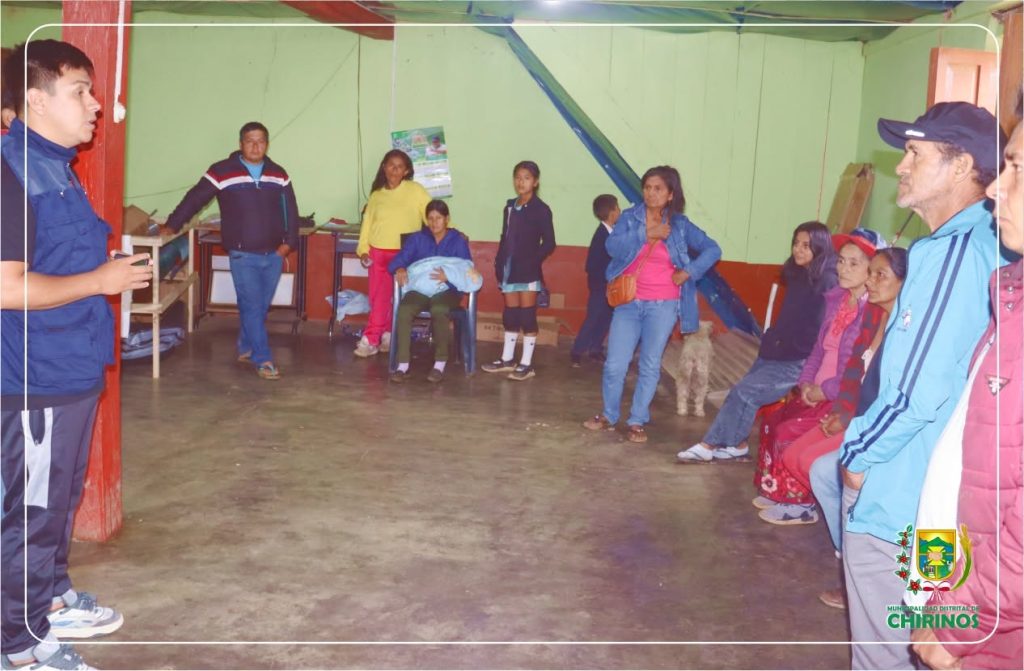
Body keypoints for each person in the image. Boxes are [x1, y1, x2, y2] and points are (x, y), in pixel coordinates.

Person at [838, 102, 1006, 670]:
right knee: (919, 649)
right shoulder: (983, 245)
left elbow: (917, 390)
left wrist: (857, 455)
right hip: (932, 505)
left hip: (902, 504)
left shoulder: (954, 253)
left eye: (915, 153)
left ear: (961, 167)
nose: (902, 166)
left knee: (884, 654)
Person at [0, 39, 151, 671]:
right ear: (36, 101)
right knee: (30, 513)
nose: (96, 105)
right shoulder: (11, 175)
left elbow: (56, 259)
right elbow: (7, 288)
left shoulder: (56, 168)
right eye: (80, 91)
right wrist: (100, 281)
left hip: (71, 364)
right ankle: (18, 644)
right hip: (34, 377)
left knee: (57, 500)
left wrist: (99, 270)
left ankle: (51, 598)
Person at [910, 96, 1023, 670]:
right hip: (962, 560)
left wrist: (961, 618)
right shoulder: (1011, 293)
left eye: (1018, 169)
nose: (997, 187)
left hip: (989, 612)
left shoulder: (961, 255)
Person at [775, 248, 908, 610]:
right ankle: (848, 559)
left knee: (825, 470)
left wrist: (852, 424)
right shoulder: (872, 316)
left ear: (904, 282)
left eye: (879, 275)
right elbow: (852, 373)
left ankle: (859, 572)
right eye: (871, 273)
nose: (870, 281)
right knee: (811, 463)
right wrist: (843, 413)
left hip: (884, 430)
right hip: (858, 418)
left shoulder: (906, 326)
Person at [582, 165, 721, 443]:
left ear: (670, 194)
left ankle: (637, 420)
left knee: (649, 364)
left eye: (658, 188)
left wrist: (689, 271)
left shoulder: (680, 225)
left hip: (663, 306)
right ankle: (609, 415)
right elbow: (612, 247)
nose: (651, 193)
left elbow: (713, 249)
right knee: (614, 364)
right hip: (629, 302)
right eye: (647, 187)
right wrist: (646, 234)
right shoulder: (630, 218)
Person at [677, 221, 837, 462]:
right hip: (776, 349)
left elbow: (818, 328)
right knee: (741, 394)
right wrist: (772, 339)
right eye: (796, 243)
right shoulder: (799, 273)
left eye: (806, 245)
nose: (798, 249)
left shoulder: (827, 281)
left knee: (745, 393)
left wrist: (797, 355)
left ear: (821, 247)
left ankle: (708, 445)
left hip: (797, 358)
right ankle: (737, 444)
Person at [753, 229, 881, 525]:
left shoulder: (871, 313)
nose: (843, 268)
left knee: (788, 431)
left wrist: (823, 391)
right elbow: (817, 350)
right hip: (816, 390)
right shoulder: (836, 302)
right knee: (772, 422)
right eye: (841, 261)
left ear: (870, 271)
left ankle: (801, 503)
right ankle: (776, 489)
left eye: (854, 263)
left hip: (837, 397)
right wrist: (805, 384)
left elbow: (855, 370)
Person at [163, 121, 299, 380]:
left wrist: (287, 245)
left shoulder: (278, 174)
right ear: (241, 144)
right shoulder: (222, 171)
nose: (255, 146)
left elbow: (291, 210)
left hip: (274, 254)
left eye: (260, 141)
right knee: (252, 307)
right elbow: (195, 198)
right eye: (250, 141)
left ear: (267, 144)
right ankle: (263, 359)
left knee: (258, 307)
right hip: (242, 254)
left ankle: (245, 346)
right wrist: (172, 224)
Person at [482, 160, 556, 381]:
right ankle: (507, 359)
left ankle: (526, 364)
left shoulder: (541, 209)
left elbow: (549, 243)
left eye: (526, 178)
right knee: (510, 315)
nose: (521, 182)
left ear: (535, 182)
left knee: (527, 316)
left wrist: (533, 261)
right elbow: (504, 237)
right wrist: (499, 263)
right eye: (518, 177)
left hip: (528, 272)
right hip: (509, 270)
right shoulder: (509, 207)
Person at [354, 149, 431, 359]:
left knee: (395, 298)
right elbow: (367, 226)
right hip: (378, 253)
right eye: (391, 165)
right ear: (384, 167)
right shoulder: (376, 195)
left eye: (399, 167)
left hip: (405, 255)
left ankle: (379, 336)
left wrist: (450, 234)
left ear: (406, 171)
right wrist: (363, 250)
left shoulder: (415, 190)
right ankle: (376, 338)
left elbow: (433, 216)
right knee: (378, 298)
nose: (394, 170)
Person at [388, 200, 473, 384]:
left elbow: (466, 269)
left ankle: (439, 364)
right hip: (420, 289)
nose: (434, 223)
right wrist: (400, 268)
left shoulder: (457, 240)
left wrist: (448, 277)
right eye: (431, 218)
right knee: (404, 309)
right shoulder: (418, 239)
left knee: (439, 308)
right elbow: (396, 261)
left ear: (447, 219)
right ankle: (402, 365)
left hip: (447, 290)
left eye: (439, 218)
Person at [570, 194, 620, 367]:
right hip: (600, 284)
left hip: (609, 284)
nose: (619, 212)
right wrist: (603, 282)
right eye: (618, 208)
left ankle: (595, 349)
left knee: (606, 317)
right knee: (593, 317)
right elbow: (591, 264)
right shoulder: (602, 235)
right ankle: (577, 351)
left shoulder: (612, 233)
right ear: (612, 213)